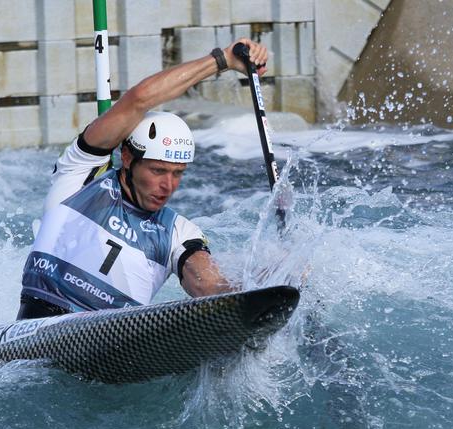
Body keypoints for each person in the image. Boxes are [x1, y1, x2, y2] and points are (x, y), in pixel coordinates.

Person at [18, 38, 269, 320]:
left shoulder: (178, 231)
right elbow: (139, 100)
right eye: (158, 170)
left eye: (178, 173)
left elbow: (209, 286)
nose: (168, 186)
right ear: (127, 158)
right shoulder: (80, 176)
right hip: (38, 320)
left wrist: (265, 288)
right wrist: (223, 60)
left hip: (112, 342)